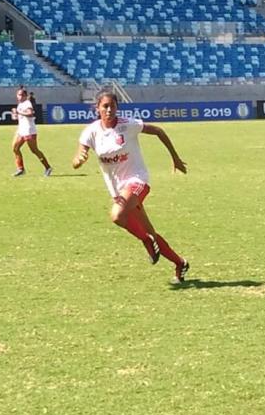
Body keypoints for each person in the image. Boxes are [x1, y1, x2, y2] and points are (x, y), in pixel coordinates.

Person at [72, 90, 190, 283]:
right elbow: (77, 157)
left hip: (138, 180)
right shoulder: (91, 132)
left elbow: (158, 131)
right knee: (151, 232)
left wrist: (175, 158)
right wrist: (78, 160)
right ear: (98, 108)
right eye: (105, 106)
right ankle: (180, 263)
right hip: (120, 190)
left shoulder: (128, 125)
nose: (109, 110)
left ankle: (145, 241)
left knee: (117, 215)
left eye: (113, 105)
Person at [11, 85, 52, 177]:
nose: (19, 97)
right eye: (18, 95)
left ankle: (48, 167)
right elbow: (20, 116)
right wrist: (15, 115)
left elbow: (30, 114)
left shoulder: (27, 103)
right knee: (15, 148)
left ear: (25, 96)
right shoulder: (20, 104)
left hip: (29, 130)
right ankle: (20, 169)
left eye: (21, 95)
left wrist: (19, 113)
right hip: (21, 130)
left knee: (34, 150)